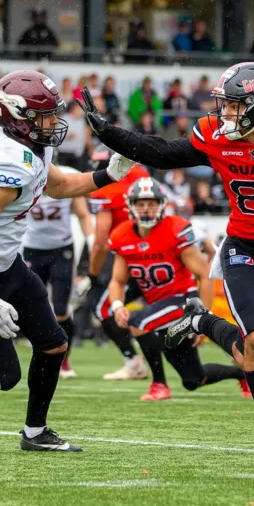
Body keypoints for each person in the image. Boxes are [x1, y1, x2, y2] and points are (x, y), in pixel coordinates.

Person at [78, 61, 254, 456]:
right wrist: (108, 132)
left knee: (253, 355)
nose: (224, 112)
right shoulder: (215, 137)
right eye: (224, 104)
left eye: (234, 105)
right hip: (244, 247)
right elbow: (160, 152)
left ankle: (201, 321)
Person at [0, 70, 139, 453]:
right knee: (5, 377)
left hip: (9, 263)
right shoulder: (7, 161)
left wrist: (109, 175)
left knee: (54, 345)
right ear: (17, 117)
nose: (53, 122)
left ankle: (35, 432)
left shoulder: (30, 145)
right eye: (44, 115)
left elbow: (59, 185)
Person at [108, 178, 247, 401]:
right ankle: (242, 374)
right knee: (194, 380)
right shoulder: (121, 235)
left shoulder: (175, 229)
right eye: (141, 204)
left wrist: (203, 319)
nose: (146, 209)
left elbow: (204, 274)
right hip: (158, 306)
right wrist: (117, 305)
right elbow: (117, 280)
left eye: (151, 203)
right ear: (131, 206)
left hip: (184, 300)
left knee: (138, 322)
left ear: (162, 205)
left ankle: (159, 385)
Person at [79, 145, 150, 381]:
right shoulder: (139, 174)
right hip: (159, 250)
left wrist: (92, 274)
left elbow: (100, 240)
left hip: (134, 257)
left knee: (104, 308)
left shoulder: (105, 190)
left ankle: (134, 361)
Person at [23, 165, 95, 379]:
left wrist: (91, 240)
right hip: (32, 249)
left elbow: (83, 214)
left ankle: (64, 358)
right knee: (32, 308)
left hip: (61, 250)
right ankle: (43, 352)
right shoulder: (23, 174)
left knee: (61, 310)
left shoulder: (66, 176)